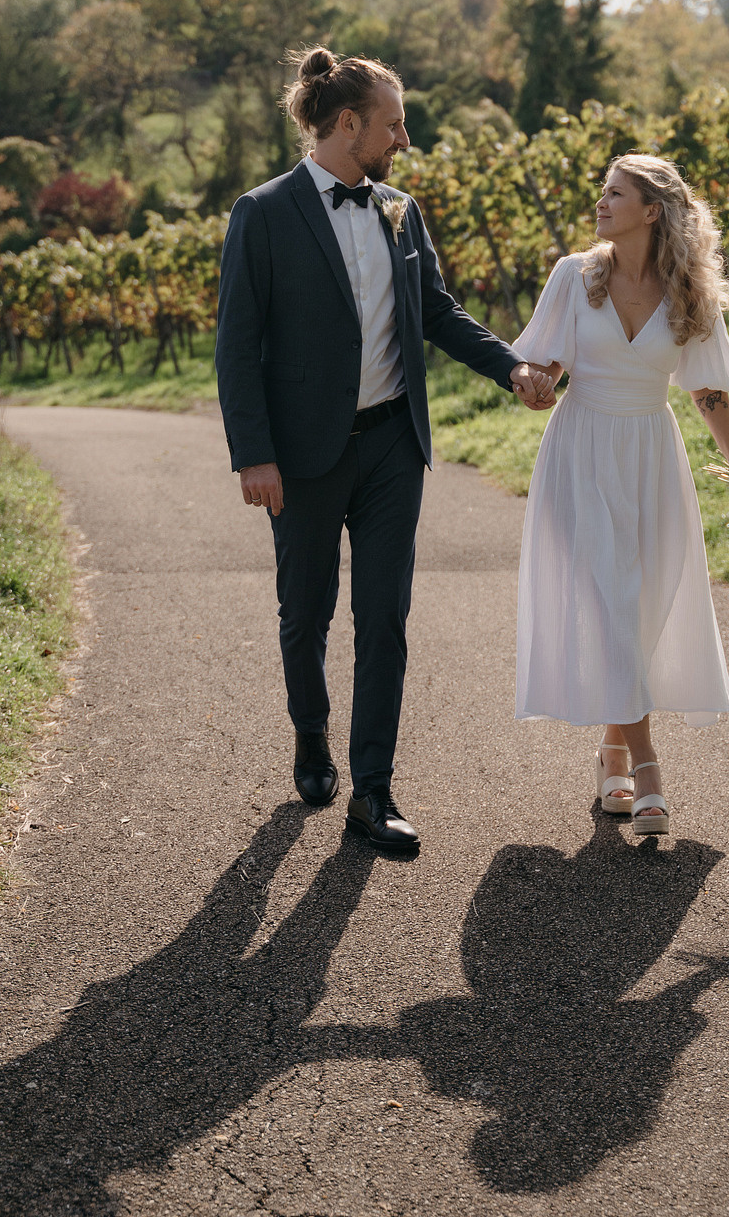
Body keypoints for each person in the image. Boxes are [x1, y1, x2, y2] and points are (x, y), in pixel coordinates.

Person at [215, 48, 554, 858]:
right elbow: (238, 344)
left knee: (385, 618)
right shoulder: (262, 213)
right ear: (346, 124)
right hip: (299, 458)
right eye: (394, 123)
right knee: (307, 614)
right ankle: (311, 733)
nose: (405, 138)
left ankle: (373, 790)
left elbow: (436, 310)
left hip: (394, 446)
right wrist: (253, 454)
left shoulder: (401, 209)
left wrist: (511, 366)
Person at [512, 153, 729, 834]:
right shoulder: (574, 276)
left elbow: (706, 388)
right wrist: (532, 380)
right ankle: (648, 770)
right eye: (602, 190)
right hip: (580, 450)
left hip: (651, 455)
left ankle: (611, 754)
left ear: (650, 211)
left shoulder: (690, 292)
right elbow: (543, 362)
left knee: (642, 609)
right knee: (610, 600)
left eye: (614, 193)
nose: (600, 201)